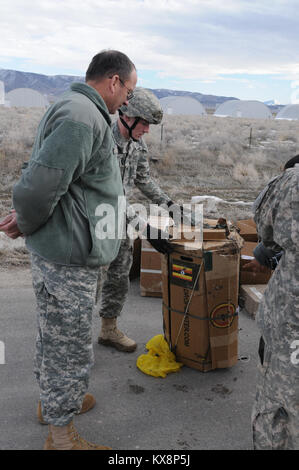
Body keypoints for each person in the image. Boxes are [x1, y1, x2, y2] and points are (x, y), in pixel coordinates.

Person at [0, 50, 138, 450]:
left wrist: (25, 217)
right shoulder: (82, 116)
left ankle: (56, 404)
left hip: (68, 246)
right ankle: (62, 436)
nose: (127, 100)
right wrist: (24, 218)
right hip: (69, 254)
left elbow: (49, 173)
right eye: (128, 89)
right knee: (69, 344)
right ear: (113, 81)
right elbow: (40, 185)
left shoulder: (78, 109)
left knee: (57, 335)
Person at [96, 87, 184, 353]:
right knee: (92, 282)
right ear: (126, 115)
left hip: (120, 219)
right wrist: (147, 229)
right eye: (144, 123)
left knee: (120, 274)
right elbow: (111, 199)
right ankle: (73, 342)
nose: (146, 130)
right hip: (96, 221)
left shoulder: (137, 144)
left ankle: (108, 329)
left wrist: (171, 207)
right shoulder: (101, 143)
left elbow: (143, 180)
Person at [248, 155, 299, 450]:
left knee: (276, 407)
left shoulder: (291, 182)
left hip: (290, 324)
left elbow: (268, 233)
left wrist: (266, 251)